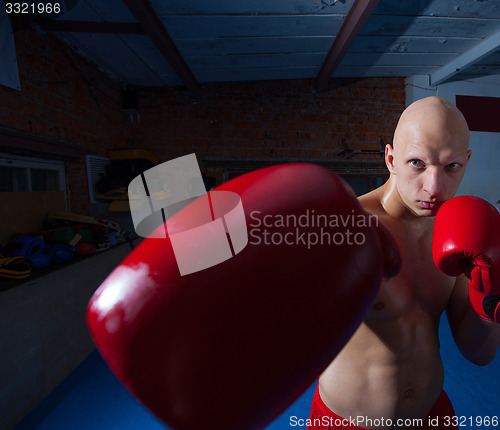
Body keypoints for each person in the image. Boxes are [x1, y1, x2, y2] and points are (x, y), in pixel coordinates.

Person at [308, 96, 500, 429]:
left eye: (451, 166)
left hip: (432, 416)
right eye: (417, 163)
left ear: (466, 161)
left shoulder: (457, 232)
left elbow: (478, 353)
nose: (434, 187)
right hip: (348, 422)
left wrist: (490, 297)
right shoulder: (345, 226)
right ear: (391, 159)